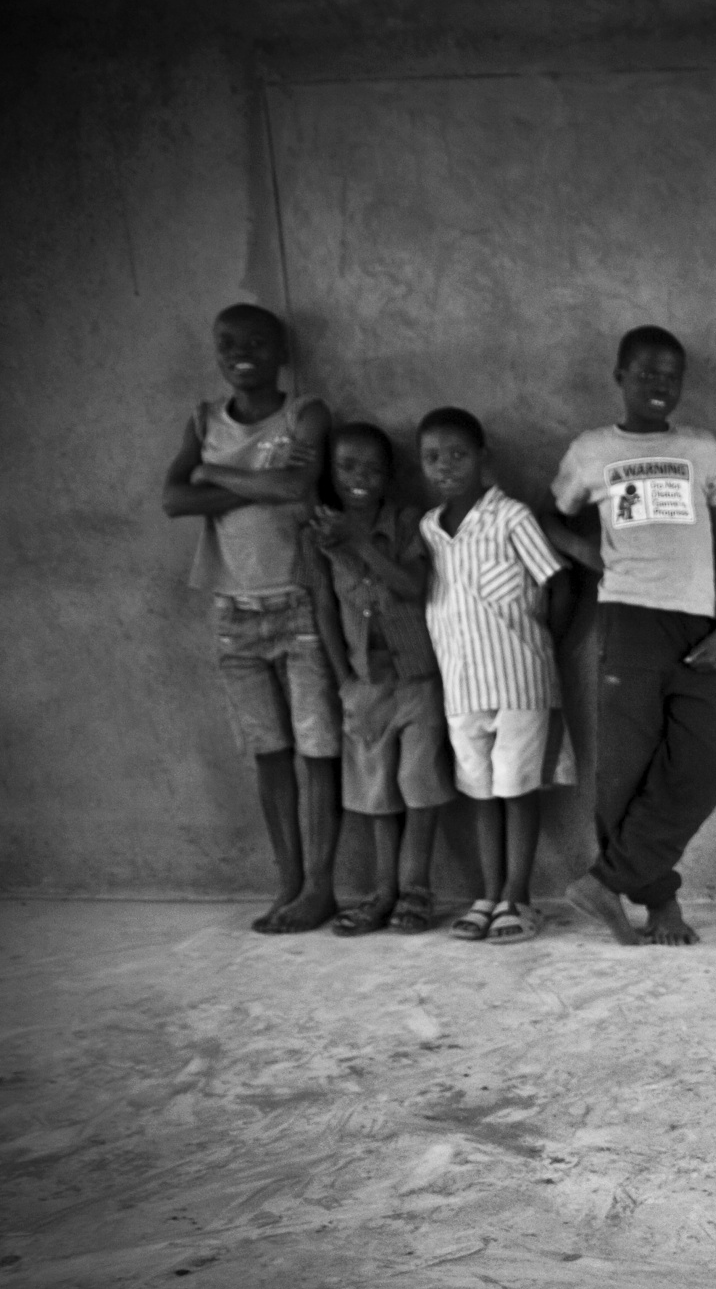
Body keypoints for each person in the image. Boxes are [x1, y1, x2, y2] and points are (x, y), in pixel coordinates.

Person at [547, 326, 716, 947]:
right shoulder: (592, 450)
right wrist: (595, 556)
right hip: (629, 620)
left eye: (671, 375)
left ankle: (603, 882)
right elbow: (553, 518)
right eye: (646, 372)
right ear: (620, 377)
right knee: (623, 776)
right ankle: (660, 905)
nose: (660, 384)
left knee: (697, 776)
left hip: (698, 628)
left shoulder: (701, 448)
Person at [160, 302, 338, 932]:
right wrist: (249, 480)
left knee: (319, 750)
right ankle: (287, 882)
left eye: (258, 342)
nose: (242, 353)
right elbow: (174, 499)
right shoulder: (202, 419)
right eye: (228, 342)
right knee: (269, 752)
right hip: (232, 611)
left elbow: (295, 489)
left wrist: (212, 473)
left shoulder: (305, 414)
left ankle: (320, 888)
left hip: (299, 603)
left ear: (282, 351)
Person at [415, 408, 577, 944]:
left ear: (483, 457)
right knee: (480, 792)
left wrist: (545, 648)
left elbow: (559, 582)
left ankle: (518, 896)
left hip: (519, 681)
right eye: (432, 458)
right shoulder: (429, 530)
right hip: (461, 686)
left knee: (517, 789)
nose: (445, 467)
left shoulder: (511, 518)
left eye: (457, 455)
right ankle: (487, 894)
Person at [305, 425, 452, 935]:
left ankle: (416, 890)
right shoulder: (316, 536)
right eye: (346, 467)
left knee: (419, 785)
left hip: (418, 679)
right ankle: (383, 891)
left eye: (372, 469)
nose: (359, 478)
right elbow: (325, 608)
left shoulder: (409, 522)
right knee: (376, 793)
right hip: (365, 686)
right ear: (330, 472)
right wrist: (344, 679)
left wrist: (359, 541)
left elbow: (412, 585)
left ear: (389, 476)